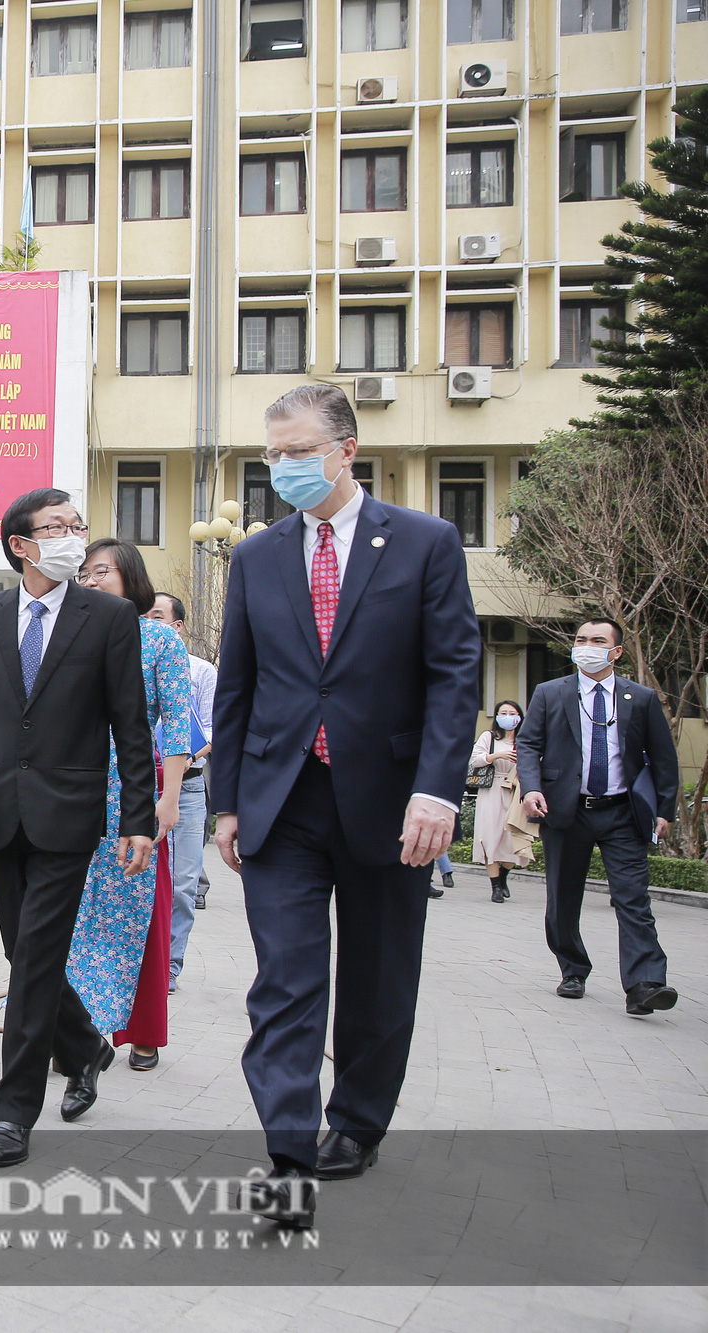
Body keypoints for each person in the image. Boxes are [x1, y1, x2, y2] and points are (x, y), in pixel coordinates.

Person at [213, 384, 479, 1229]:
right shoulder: (255, 558)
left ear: (345, 449)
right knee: (286, 980)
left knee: (376, 980)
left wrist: (438, 789)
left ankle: (357, 1123)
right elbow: (238, 687)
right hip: (282, 802)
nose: (283, 468)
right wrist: (225, 803)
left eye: (298, 451)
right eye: (272, 455)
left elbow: (453, 676)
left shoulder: (426, 543)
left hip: (392, 803)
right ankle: (288, 1155)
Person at [0, 489, 156, 1169]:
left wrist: (140, 820)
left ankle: (13, 1111)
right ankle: (86, 1042)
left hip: (71, 813)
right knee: (23, 949)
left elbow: (131, 724)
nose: (73, 537)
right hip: (4, 809)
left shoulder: (109, 617)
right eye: (57, 527)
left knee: (32, 961)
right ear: (21, 545)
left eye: (77, 526)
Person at [515, 619, 680, 1015]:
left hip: (622, 812)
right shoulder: (550, 693)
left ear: (616, 651)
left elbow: (663, 758)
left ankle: (644, 984)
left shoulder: (639, 698)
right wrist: (532, 787)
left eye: (597, 640)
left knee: (633, 899)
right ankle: (573, 969)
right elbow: (528, 743)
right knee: (563, 899)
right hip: (566, 810)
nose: (586, 646)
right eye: (581, 639)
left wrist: (664, 809)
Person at [69, 542, 191, 1070]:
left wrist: (168, 799)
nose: (92, 580)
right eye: (85, 572)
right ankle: (76, 1031)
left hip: (133, 790)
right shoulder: (69, 635)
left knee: (136, 913)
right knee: (73, 915)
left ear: (131, 579)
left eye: (104, 571)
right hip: (73, 789)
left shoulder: (160, 639)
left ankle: (141, 1030)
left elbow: (180, 725)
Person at [147, 591, 216, 989]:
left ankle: (169, 966)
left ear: (177, 627)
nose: (149, 622)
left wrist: (179, 762)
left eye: (158, 616)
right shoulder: (130, 660)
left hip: (186, 790)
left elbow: (211, 728)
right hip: (137, 786)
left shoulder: (201, 672)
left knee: (183, 884)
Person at [470, 699, 534, 903]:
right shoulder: (488, 737)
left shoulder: (526, 739)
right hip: (492, 790)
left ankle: (504, 875)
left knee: (514, 837)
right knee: (489, 836)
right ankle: (495, 886)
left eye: (512, 713)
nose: (508, 717)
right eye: (503, 713)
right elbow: (475, 760)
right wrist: (496, 755)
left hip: (517, 791)